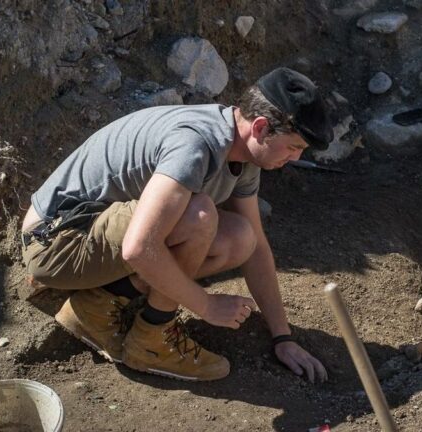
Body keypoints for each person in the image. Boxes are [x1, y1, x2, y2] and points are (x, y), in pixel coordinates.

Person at [20, 67, 333, 382]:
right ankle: (152, 339)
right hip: (54, 241)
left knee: (239, 238)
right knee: (198, 216)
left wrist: (282, 337)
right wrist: (206, 305)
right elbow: (139, 248)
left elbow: (257, 250)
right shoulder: (195, 144)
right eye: (293, 147)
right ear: (261, 128)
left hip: (94, 232)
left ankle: (97, 304)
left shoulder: (241, 154)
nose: (295, 158)